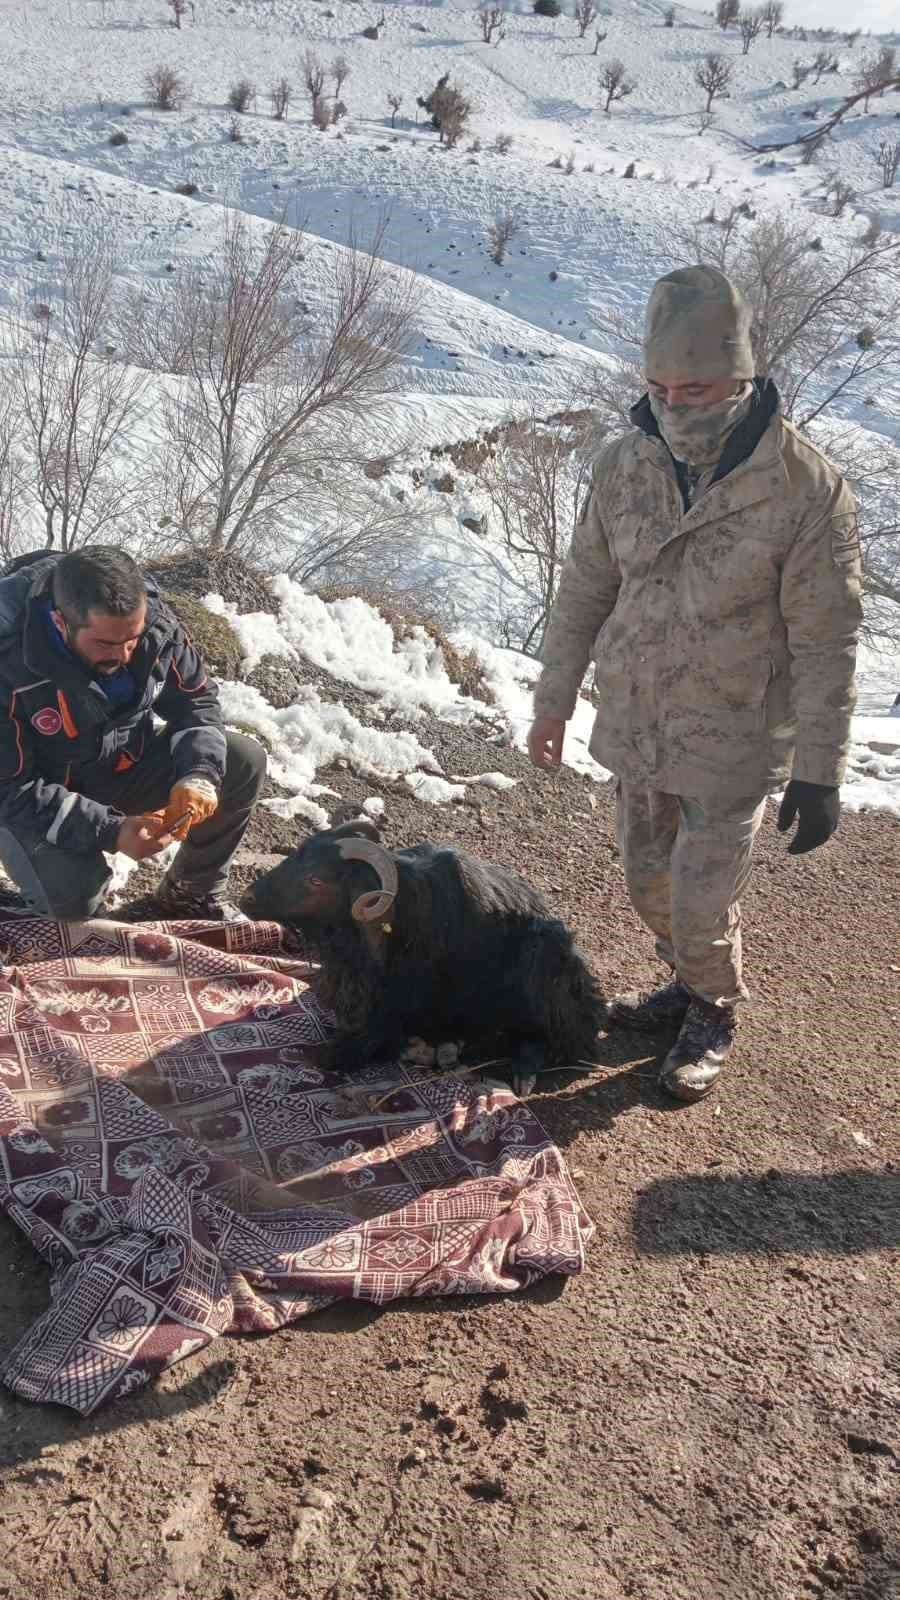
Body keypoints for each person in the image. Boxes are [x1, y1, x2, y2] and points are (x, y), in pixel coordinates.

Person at [528, 265, 862, 1102]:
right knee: (646, 879)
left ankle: (713, 1007)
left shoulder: (803, 486)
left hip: (735, 735)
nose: (678, 405)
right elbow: (584, 589)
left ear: (742, 376)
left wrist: (820, 769)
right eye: (661, 386)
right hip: (638, 720)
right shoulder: (623, 465)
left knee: (700, 895)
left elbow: (828, 638)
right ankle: (684, 979)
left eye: (699, 386)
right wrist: (554, 699)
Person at [0, 546, 266, 922]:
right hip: (33, 799)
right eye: (105, 644)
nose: (124, 654)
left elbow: (196, 702)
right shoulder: (8, 661)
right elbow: (11, 790)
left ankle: (189, 895)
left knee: (242, 760)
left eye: (132, 639)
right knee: (74, 908)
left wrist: (199, 775)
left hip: (119, 765)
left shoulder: (157, 628)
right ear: (61, 623)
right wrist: (112, 830)